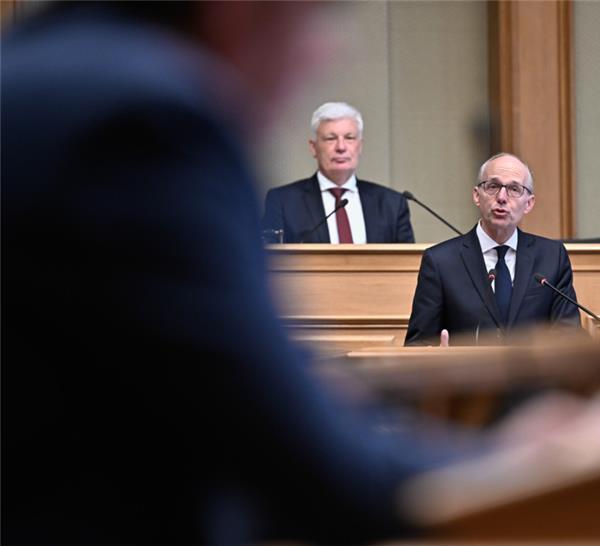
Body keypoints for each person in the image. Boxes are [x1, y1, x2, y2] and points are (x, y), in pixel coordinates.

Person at [0, 3, 456, 544]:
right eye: (311, 18)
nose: (328, 51)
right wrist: (527, 458)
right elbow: (305, 466)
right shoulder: (146, 122)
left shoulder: (40, 69)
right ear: (238, 11)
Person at [405, 153, 581, 346]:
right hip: (466, 375)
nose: (502, 197)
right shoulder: (440, 262)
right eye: (493, 186)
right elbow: (417, 344)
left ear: (529, 203)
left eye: (514, 189)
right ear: (476, 196)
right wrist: (437, 359)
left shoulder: (552, 257)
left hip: (533, 375)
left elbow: (569, 337)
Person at [261, 102, 415, 243]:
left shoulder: (392, 204)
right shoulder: (283, 201)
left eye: (349, 138)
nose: (341, 147)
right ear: (313, 147)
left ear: (360, 146)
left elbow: (409, 267)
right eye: (330, 138)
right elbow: (270, 262)